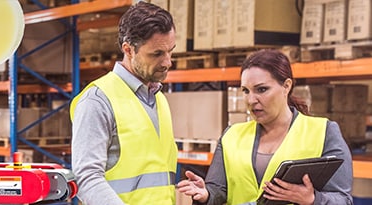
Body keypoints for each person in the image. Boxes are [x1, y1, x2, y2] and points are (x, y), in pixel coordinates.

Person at [177, 49, 353, 205]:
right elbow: (218, 190)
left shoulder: (323, 132)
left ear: (286, 86)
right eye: (245, 91)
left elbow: (343, 199)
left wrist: (313, 199)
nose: (251, 100)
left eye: (261, 90)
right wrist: (206, 194)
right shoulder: (231, 136)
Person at [70, 2, 178, 204]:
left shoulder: (159, 99)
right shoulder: (97, 101)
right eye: (157, 54)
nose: (167, 62)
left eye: (170, 51)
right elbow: (86, 177)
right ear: (128, 49)